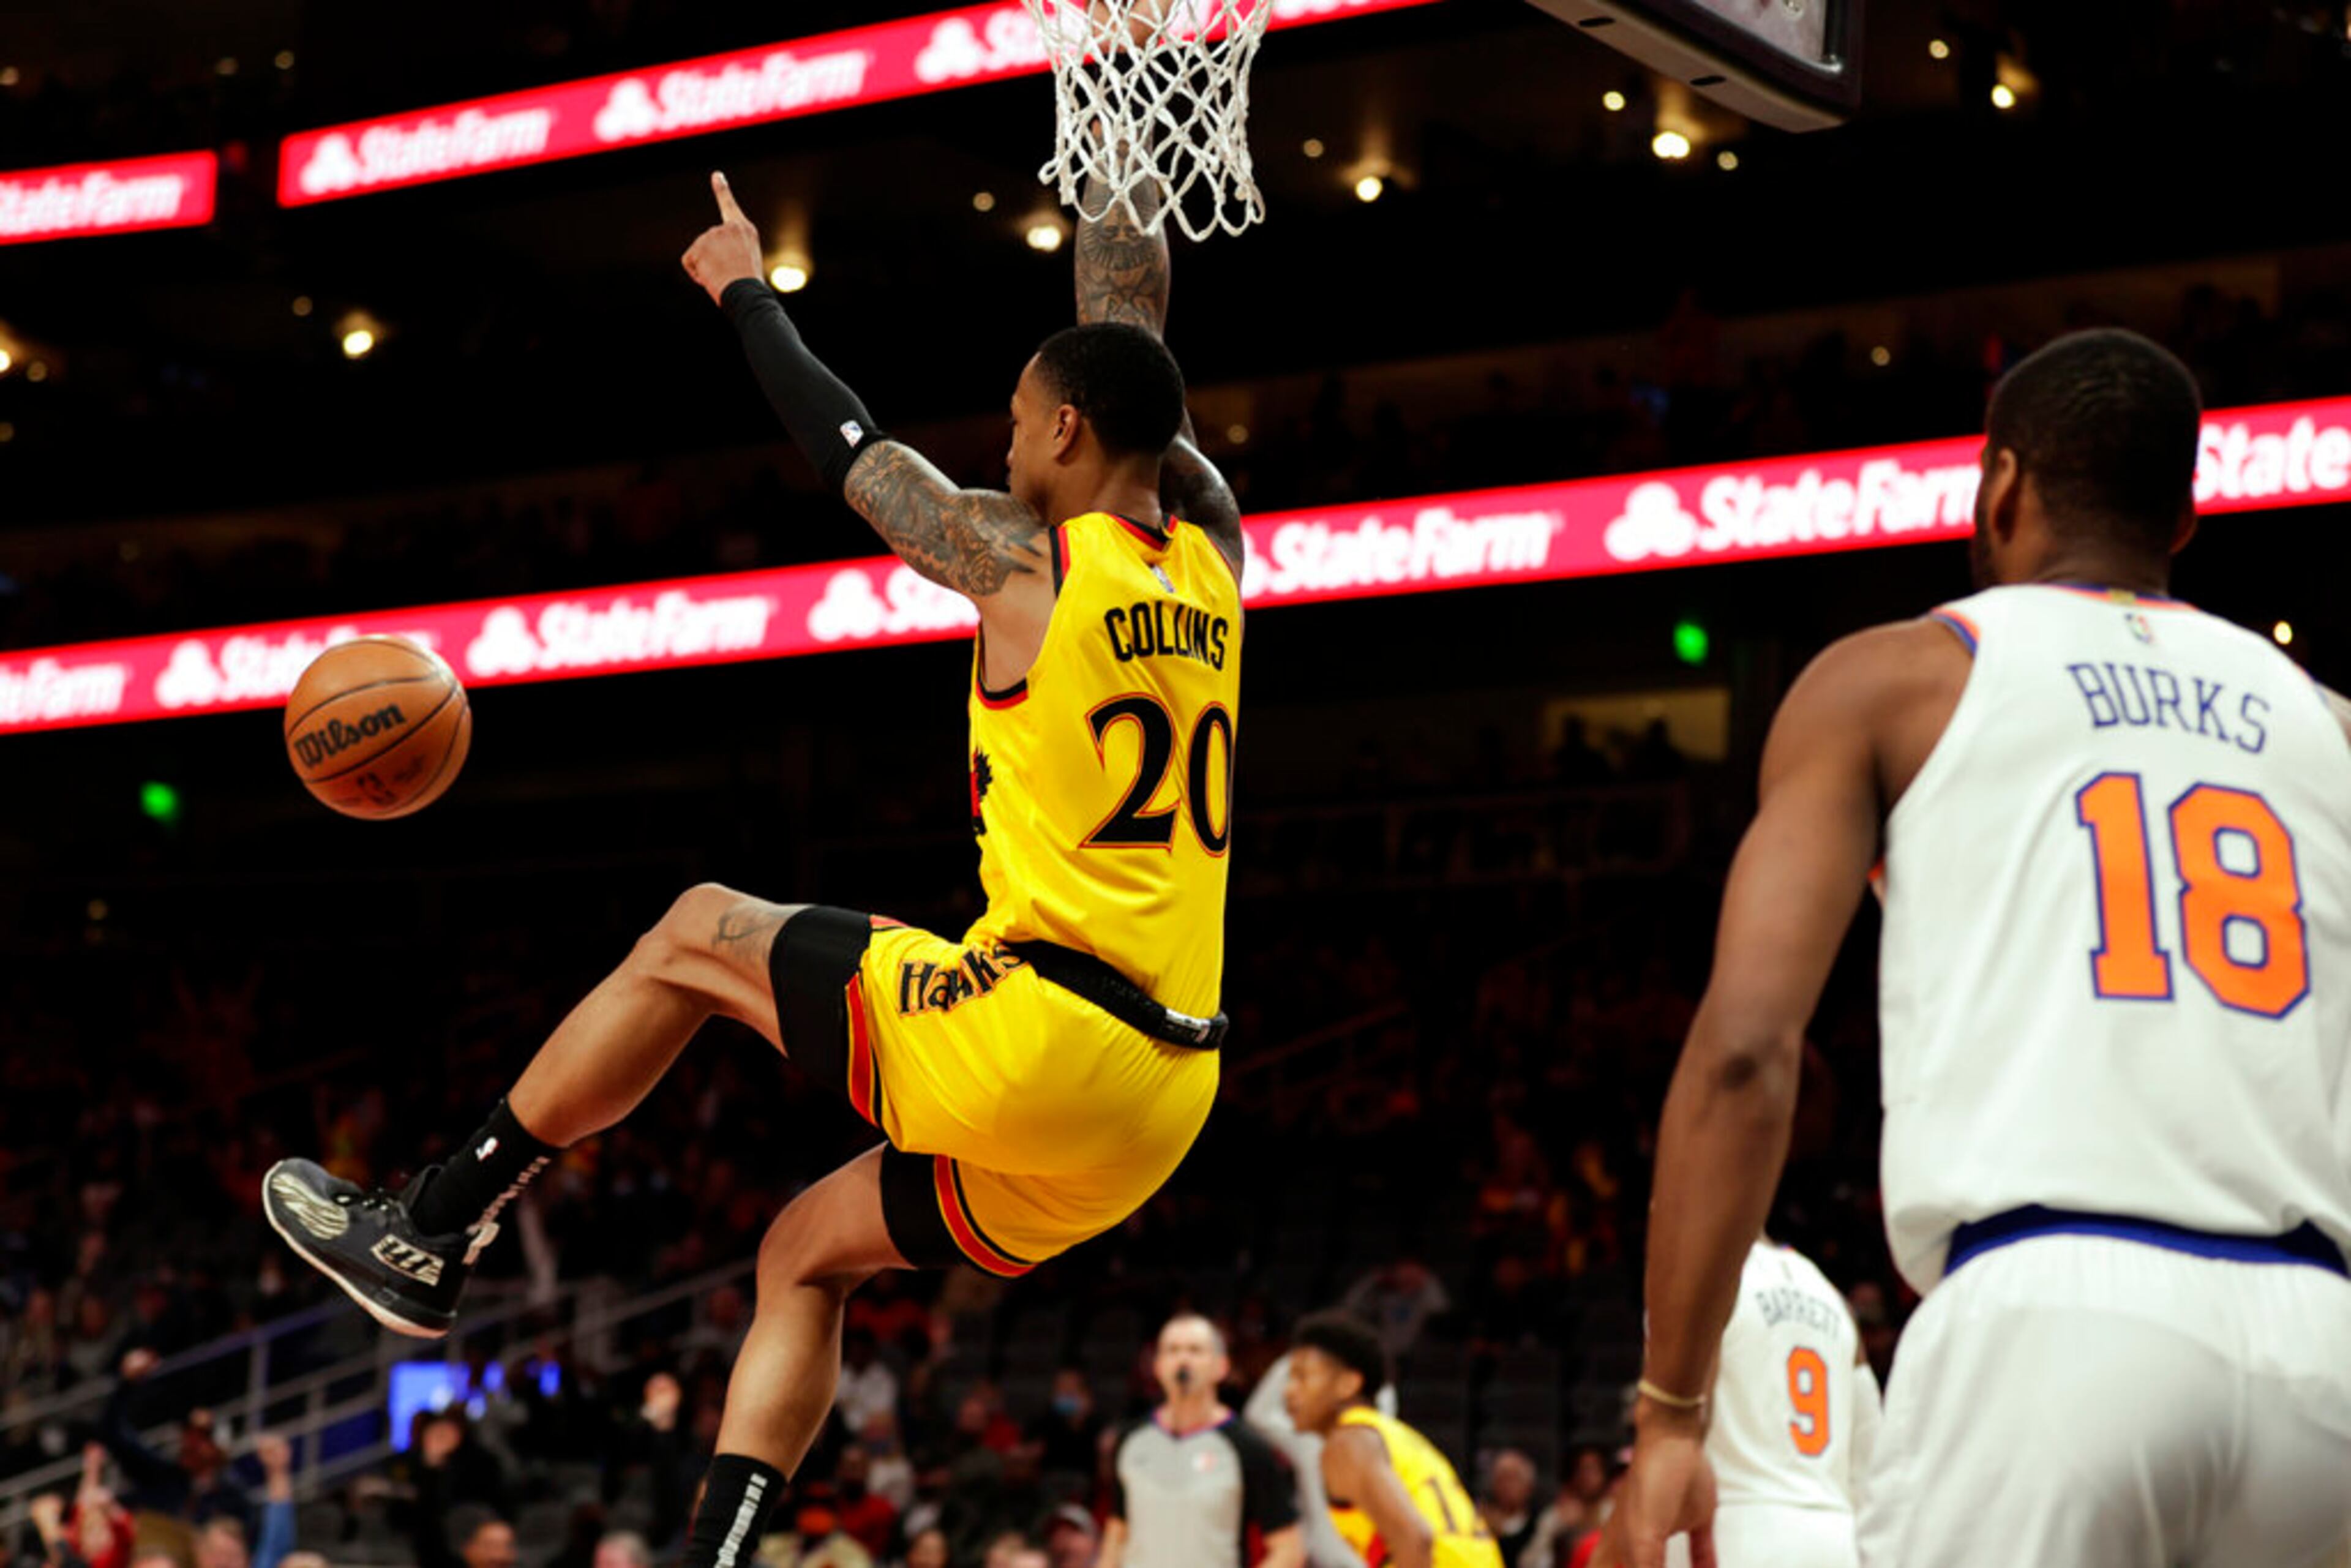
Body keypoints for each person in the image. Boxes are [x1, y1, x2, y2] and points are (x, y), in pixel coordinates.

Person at [262, 159, 1245, 1568]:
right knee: (802, 1247)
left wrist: (743, 294)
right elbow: (1134, 344)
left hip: (1043, 1029)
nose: (1007, 440)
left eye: (1024, 421)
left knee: (691, 931)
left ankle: (430, 1221)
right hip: (1162, 1100)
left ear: (1067, 431)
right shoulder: (1213, 557)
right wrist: (1121, 158)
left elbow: (854, 456)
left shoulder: (1021, 563)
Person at [1610, 329, 2351, 1567]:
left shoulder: (1897, 678)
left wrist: (1674, 1406)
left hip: (2056, 1314)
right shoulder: (2329, 724)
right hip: (2323, 1349)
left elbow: (1745, 1051)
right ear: (2183, 518)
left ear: (2001, 485)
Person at [1656, 1236, 1875, 1568]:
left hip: (1734, 1531)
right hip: (1835, 1536)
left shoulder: (1702, 1274)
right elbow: (1873, 1454)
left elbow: (1683, 1430)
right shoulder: (1831, 1295)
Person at [1280, 1313, 1501, 1568]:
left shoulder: (1348, 1442)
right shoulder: (1391, 1434)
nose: (1289, 1390)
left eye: (1302, 1377)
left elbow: (1416, 1540)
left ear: (1348, 1384)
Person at [1100, 1315, 1301, 1568]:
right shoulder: (1130, 1440)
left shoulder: (1247, 1446)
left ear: (1221, 1366)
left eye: (1195, 1350)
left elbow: (1289, 1548)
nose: (1183, 1360)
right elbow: (1117, 1535)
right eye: (1172, 1350)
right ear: (1158, 1366)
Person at [1243, 1350, 1398, 1568]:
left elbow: (1383, 1400)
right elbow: (1259, 1414)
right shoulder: (1311, 1442)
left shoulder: (1388, 1443)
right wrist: (1304, 1357)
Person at [1475, 1451, 1537, 1568]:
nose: (1506, 1486)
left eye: (1513, 1479)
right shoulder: (1479, 1520)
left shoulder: (1539, 1523)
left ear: (1529, 1486)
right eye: (1501, 1478)